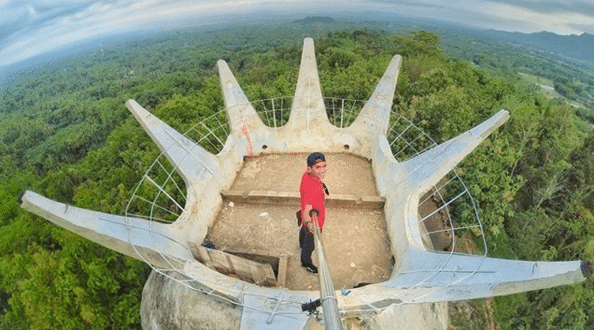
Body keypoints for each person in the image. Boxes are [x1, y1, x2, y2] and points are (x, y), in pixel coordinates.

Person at [299, 152, 329, 274]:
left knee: (303, 230)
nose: (322, 170)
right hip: (314, 219)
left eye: (324, 166)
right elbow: (307, 209)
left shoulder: (307, 175)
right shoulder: (313, 188)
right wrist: (311, 225)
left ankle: (301, 243)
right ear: (309, 168)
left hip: (309, 213)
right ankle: (306, 262)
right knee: (310, 244)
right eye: (318, 167)